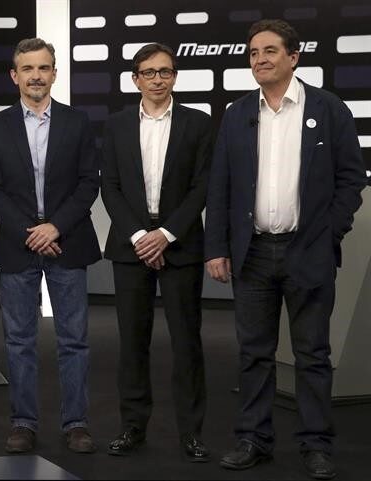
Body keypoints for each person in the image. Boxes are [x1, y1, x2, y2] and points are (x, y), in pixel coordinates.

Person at [205, 19, 366, 480]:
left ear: (294, 57)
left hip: (308, 251)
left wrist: (329, 233)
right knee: (254, 353)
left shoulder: (328, 109)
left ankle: (316, 445)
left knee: (312, 354)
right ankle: (253, 439)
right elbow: (221, 184)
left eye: (270, 51)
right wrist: (217, 247)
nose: (260, 59)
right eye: (254, 52)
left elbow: (351, 178)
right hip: (253, 253)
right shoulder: (237, 113)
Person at [0, 37, 101, 454]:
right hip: (18, 245)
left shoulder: (77, 122)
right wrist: (31, 231)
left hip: (68, 242)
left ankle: (76, 423)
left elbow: (88, 183)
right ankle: (23, 423)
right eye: (28, 68)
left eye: (43, 68)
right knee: (18, 340)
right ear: (14, 76)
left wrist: (55, 228)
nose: (36, 75)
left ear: (54, 74)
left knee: (74, 339)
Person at [101, 43, 213, 462]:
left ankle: (191, 432)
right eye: (148, 72)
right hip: (130, 246)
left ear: (175, 77)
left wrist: (165, 234)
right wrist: (139, 236)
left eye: (165, 71)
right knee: (132, 342)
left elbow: (202, 186)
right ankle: (132, 427)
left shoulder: (198, 123)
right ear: (136, 80)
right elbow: (110, 186)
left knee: (187, 342)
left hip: (180, 244)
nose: (157, 79)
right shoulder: (116, 125)